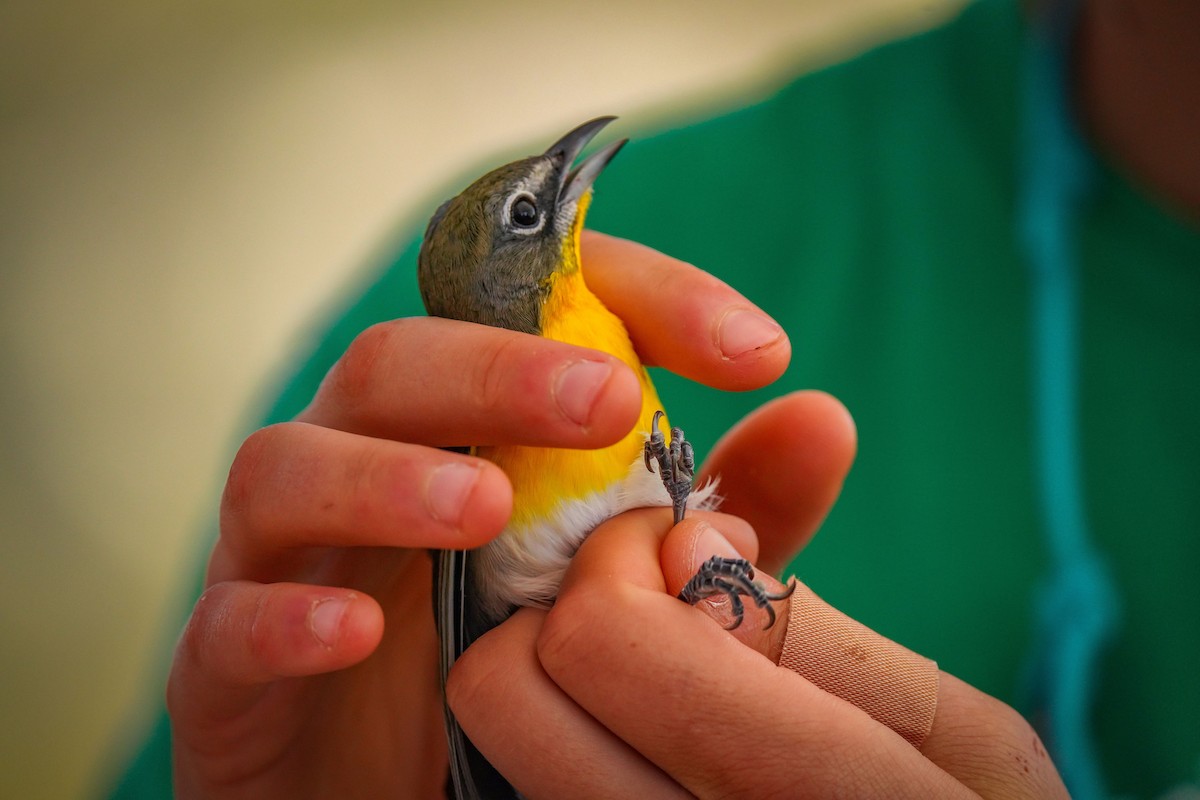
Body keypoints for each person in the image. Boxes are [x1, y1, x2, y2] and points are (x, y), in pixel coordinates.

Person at [108, 0, 1200, 796]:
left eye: (556, 191)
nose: (574, 180)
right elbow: (472, 585)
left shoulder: (594, 305)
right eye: (546, 206)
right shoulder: (432, 373)